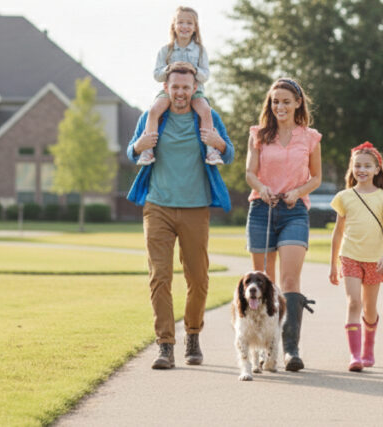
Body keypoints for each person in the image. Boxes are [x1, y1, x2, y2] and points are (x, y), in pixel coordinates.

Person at [126, 61, 234, 370]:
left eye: (186, 88)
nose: (181, 93)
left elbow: (229, 153)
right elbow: (131, 152)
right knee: (160, 277)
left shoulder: (209, 118)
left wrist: (219, 143)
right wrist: (138, 147)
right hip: (157, 206)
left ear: (195, 89)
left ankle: (193, 335)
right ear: (166, 88)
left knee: (198, 278)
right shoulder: (152, 118)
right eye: (175, 87)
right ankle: (165, 345)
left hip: (195, 208)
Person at [244, 77, 321, 372]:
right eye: (275, 101)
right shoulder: (259, 135)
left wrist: (298, 192)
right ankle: (265, 349)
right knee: (264, 281)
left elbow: (315, 177)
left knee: (289, 283)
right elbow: (250, 173)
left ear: (298, 103)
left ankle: (290, 349)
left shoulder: (310, 138)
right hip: (262, 210)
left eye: (286, 101)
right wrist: (261, 188)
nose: (280, 107)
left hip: (294, 212)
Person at [328, 141, 383, 371]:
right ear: (352, 168)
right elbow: (338, 232)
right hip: (349, 256)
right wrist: (332, 265)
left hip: (375, 260)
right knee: (353, 302)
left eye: (367, 166)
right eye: (357, 165)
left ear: (377, 169)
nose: (361, 170)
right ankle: (354, 356)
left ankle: (368, 348)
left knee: (369, 309)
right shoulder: (344, 197)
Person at [137, 6, 222, 166]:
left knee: (205, 111)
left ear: (195, 27)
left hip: (195, 92)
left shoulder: (200, 51)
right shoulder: (165, 50)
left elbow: (206, 75)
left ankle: (211, 150)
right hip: (169, 92)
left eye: (189, 23)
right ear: (174, 26)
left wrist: (194, 69)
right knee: (154, 110)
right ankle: (147, 151)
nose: (185, 26)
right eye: (181, 22)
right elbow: (156, 75)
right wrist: (168, 68)